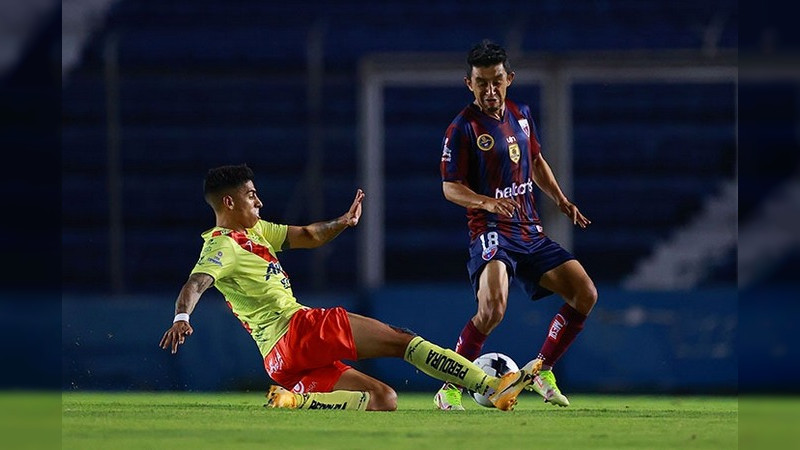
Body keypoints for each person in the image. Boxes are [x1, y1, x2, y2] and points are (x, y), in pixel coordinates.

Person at [159, 163, 539, 411]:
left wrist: (342, 222)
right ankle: (490, 386)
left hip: (278, 360)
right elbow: (197, 282)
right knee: (401, 340)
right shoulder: (223, 245)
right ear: (229, 202)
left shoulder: (256, 231)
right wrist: (181, 317)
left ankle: (295, 401)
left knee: (383, 398)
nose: (259, 200)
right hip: (298, 329)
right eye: (251, 195)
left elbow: (309, 235)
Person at [434, 40, 598, 411]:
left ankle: (542, 369)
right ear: (469, 84)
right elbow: (449, 187)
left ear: (509, 78)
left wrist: (560, 199)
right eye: (481, 83)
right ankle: (449, 387)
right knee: (492, 309)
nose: (490, 90)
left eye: (496, 81)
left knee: (585, 293)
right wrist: (486, 201)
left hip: (528, 229)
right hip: (491, 230)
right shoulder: (461, 128)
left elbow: (535, 161)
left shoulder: (521, 114)